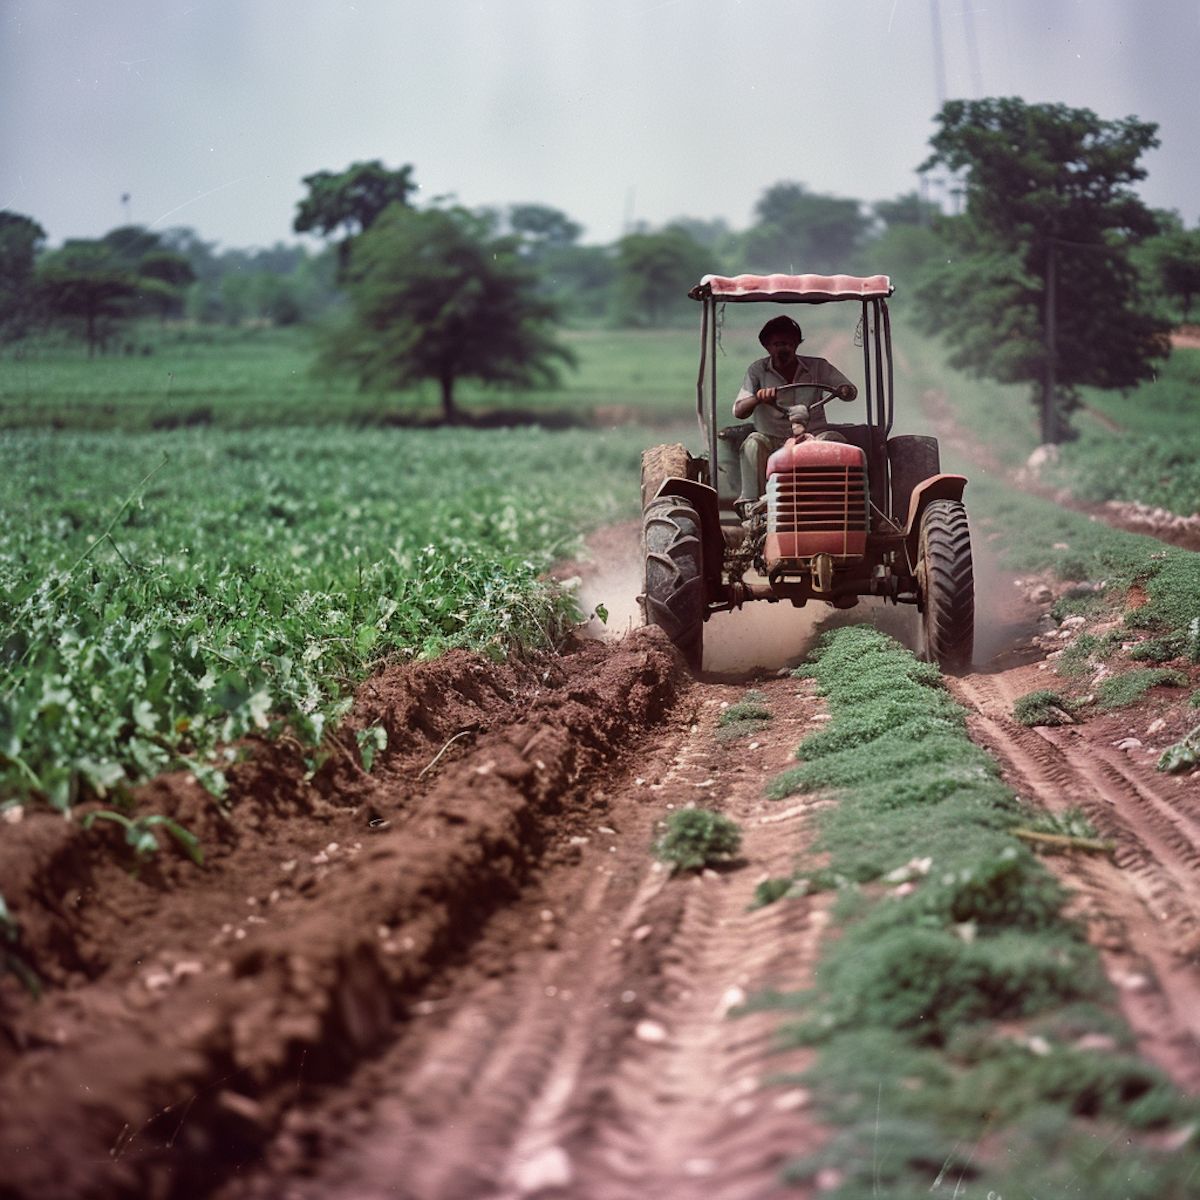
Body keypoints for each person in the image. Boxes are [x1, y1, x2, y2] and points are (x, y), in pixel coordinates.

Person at [731, 315, 857, 517]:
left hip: (813, 438)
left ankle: (841, 499)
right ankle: (752, 505)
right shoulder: (757, 371)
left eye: (789, 344)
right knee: (753, 443)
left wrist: (844, 390)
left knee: (835, 441)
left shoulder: (818, 367)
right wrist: (759, 398)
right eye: (778, 344)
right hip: (772, 440)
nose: (784, 349)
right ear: (767, 346)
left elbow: (850, 392)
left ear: (797, 344)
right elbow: (739, 411)